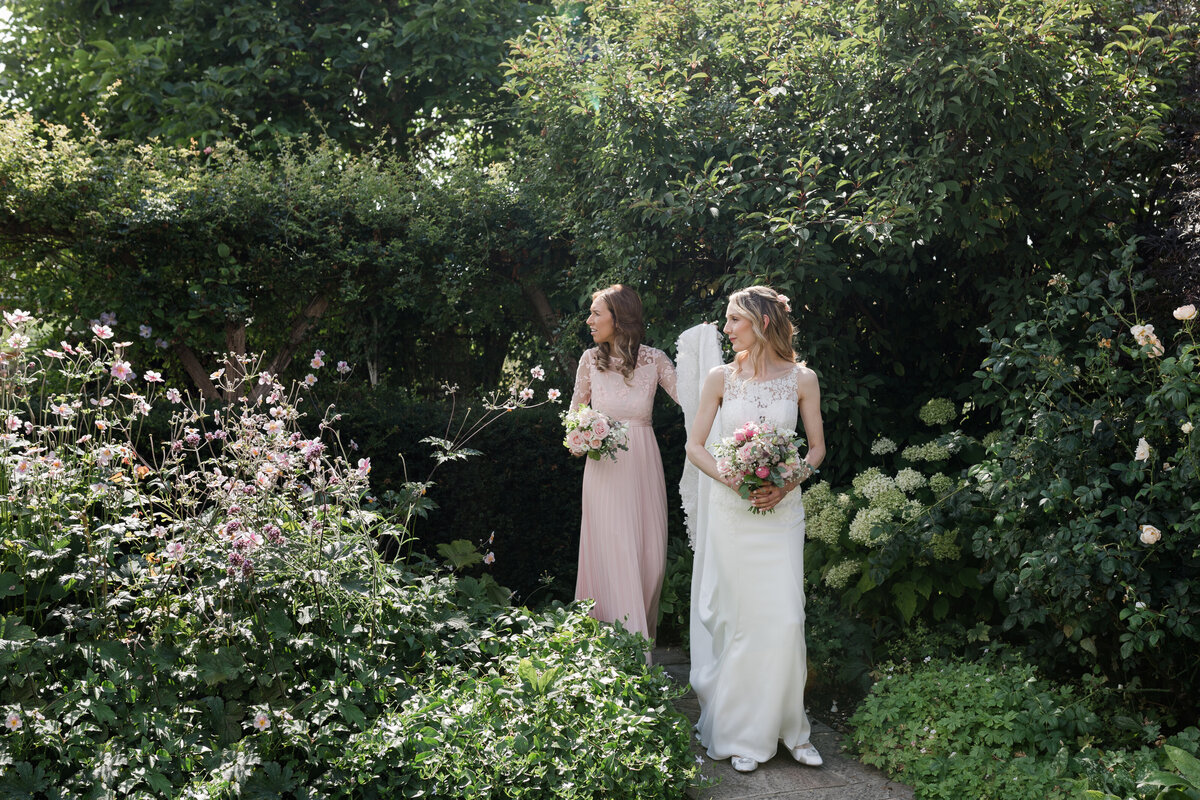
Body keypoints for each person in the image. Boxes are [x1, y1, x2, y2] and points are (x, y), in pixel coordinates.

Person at [683, 285, 826, 773]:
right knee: (742, 622)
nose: (726, 329)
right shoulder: (721, 377)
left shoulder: (802, 379)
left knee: (786, 618)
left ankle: (793, 729)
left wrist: (786, 484)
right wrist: (736, 482)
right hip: (735, 512)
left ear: (762, 322)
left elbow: (816, 450)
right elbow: (696, 446)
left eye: (734, 321)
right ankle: (744, 732)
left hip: (782, 513)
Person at [570, 284, 679, 652]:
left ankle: (637, 643)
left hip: (644, 465)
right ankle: (615, 654)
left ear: (620, 318)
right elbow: (573, 421)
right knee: (612, 552)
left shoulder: (655, 360)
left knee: (650, 561)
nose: (589, 320)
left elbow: (695, 402)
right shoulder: (589, 360)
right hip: (604, 470)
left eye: (596, 313)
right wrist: (583, 434)